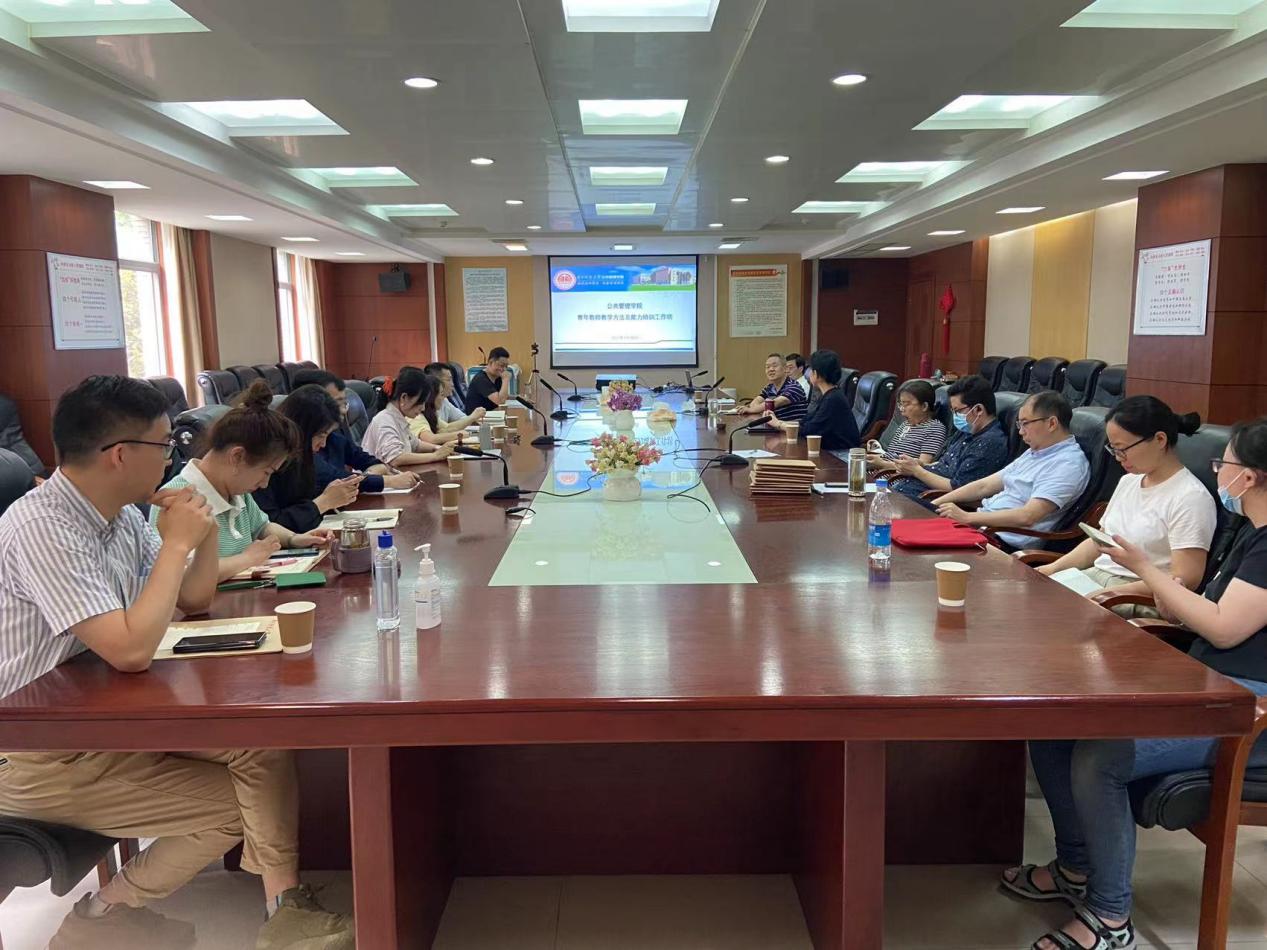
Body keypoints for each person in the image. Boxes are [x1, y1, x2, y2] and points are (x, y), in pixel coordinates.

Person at [0, 376, 352, 950]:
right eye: (164, 445)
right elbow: (129, 650)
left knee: (258, 741)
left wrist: (202, 531)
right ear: (120, 454)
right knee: (235, 809)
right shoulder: (45, 527)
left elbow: (192, 598)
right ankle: (103, 913)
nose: (174, 456)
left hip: (101, 718)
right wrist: (174, 544)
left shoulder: (118, 516)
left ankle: (284, 908)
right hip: (36, 751)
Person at [1005, 415, 1267, 950]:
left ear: (1250, 477)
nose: (1218, 471)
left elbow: (1224, 627)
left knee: (1100, 755)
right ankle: (1076, 868)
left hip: (1247, 712)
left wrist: (1146, 570)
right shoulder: (1251, 534)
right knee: (1054, 729)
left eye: (1225, 463)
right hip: (1211, 690)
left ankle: (1110, 917)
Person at [1033, 396, 1215, 615]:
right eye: (1114, 449)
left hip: (1139, 594)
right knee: (1032, 594)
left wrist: (1109, 594)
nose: (1118, 458)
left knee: (1049, 616)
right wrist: (1052, 569)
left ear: (1160, 439)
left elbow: (1185, 579)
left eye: (1123, 449)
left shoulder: (1190, 497)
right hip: (1097, 578)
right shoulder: (1129, 481)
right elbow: (1100, 542)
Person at [150, 381, 333, 583]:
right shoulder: (178, 499)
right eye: (266, 472)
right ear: (237, 457)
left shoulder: (236, 491)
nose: (264, 484)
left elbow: (262, 527)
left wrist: (294, 539)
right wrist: (247, 559)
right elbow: (185, 574)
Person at [935, 390, 1090, 549]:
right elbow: (984, 486)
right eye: (1019, 424)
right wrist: (937, 503)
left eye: (1025, 423)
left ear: (1052, 423)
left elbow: (1027, 516)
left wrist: (967, 517)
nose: (1020, 431)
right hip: (982, 526)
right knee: (926, 523)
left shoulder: (1068, 465)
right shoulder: (1037, 450)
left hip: (1002, 541)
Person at [291, 370, 420, 495]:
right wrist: (387, 481)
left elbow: (365, 459)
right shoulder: (296, 446)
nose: (343, 410)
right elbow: (334, 478)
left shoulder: (334, 436)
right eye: (335, 403)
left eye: (344, 403)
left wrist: (372, 472)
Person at [888, 374, 1010, 507]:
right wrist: (920, 465)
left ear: (978, 409)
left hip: (932, 501)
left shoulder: (990, 443)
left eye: (958, 411)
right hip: (911, 492)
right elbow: (944, 465)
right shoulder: (968, 430)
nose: (955, 416)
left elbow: (959, 488)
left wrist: (917, 471)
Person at [254, 385, 361, 534]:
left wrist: (335, 496)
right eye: (321, 435)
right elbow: (267, 525)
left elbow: (310, 498)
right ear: (303, 429)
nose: (323, 444)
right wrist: (323, 502)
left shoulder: (304, 456)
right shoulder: (264, 461)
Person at [361, 367, 455, 468]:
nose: (423, 408)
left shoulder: (398, 417)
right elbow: (395, 458)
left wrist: (438, 448)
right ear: (404, 397)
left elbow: (415, 444)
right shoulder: (384, 421)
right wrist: (435, 456)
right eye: (421, 402)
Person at [769, 349, 860, 451]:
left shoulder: (833, 399)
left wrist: (779, 424)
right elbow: (805, 422)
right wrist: (778, 422)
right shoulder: (828, 395)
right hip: (829, 451)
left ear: (816, 374)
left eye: (811, 370)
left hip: (840, 455)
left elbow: (809, 431)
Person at [868, 380, 946, 466]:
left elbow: (922, 466)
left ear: (924, 406)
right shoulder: (905, 424)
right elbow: (891, 454)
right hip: (883, 468)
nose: (901, 409)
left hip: (898, 473)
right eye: (900, 404)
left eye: (906, 404)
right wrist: (874, 458)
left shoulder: (935, 429)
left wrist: (882, 464)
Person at [737, 353, 808, 423]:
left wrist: (750, 410)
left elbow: (774, 403)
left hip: (791, 428)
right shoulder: (769, 387)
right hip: (774, 426)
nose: (771, 369)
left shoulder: (794, 386)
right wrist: (753, 409)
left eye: (775, 366)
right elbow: (756, 401)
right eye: (767, 367)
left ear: (785, 369)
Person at [424, 362, 486, 432]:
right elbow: (443, 430)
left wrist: (473, 419)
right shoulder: (425, 408)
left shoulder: (444, 400)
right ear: (435, 381)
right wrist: (472, 417)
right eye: (448, 380)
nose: (453, 384)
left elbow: (462, 418)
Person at [464, 347, 511, 413]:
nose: (504, 369)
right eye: (501, 365)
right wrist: (506, 380)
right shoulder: (481, 379)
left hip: (490, 414)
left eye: (506, 366)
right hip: (477, 418)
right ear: (490, 362)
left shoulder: (497, 377)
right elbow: (500, 401)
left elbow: (504, 397)